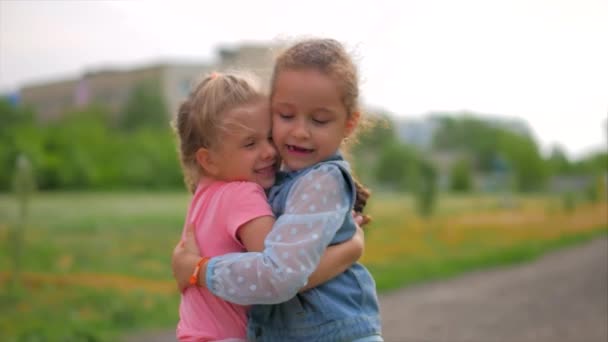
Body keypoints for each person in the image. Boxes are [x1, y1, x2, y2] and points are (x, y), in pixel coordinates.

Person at [173, 38, 382, 341]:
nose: (298, 131)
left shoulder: (318, 180)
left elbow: (279, 274)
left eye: (319, 119)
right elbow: (280, 274)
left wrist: (200, 271)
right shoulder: (250, 188)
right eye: (285, 117)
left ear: (349, 124)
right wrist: (351, 248)